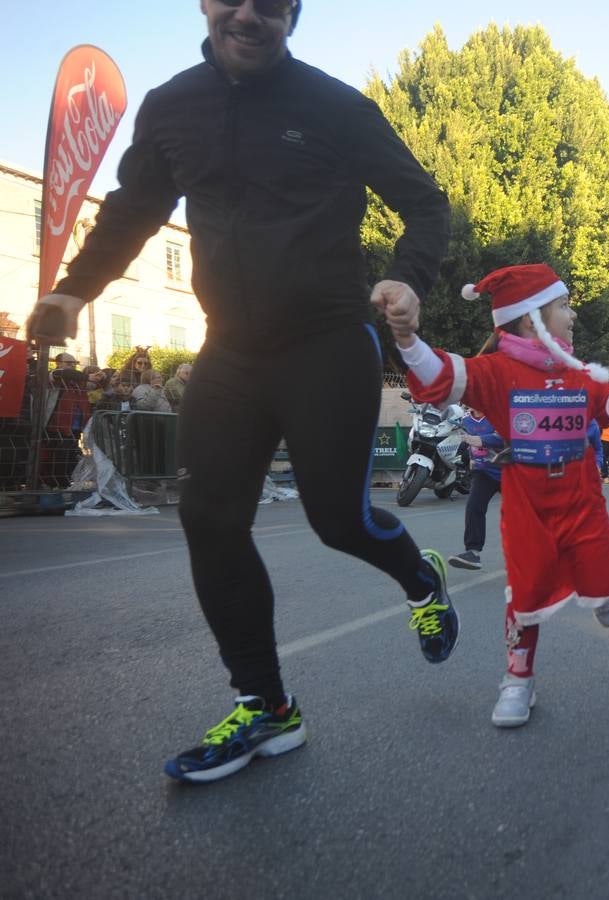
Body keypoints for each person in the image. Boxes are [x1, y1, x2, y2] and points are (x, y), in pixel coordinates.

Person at [26, 0, 459, 783]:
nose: (250, 16)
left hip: (327, 345)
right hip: (229, 351)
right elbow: (132, 210)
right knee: (209, 518)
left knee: (339, 521)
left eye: (272, 4)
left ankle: (417, 576)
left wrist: (407, 275)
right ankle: (267, 706)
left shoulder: (336, 107)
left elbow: (425, 202)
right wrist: (74, 290)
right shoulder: (172, 107)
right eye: (236, 0)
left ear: (293, 14)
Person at [392, 263, 609, 727]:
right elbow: (441, 374)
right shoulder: (496, 372)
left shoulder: (578, 375)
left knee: (603, 581)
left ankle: (604, 591)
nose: (573, 315)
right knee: (524, 593)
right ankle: (518, 680)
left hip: (581, 498)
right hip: (526, 504)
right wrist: (406, 338)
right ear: (529, 320)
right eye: (564, 306)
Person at [448, 406, 504, 571]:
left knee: (519, 516)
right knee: (474, 507)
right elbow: (463, 439)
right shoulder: (464, 419)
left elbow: (505, 437)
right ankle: (472, 553)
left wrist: (479, 440)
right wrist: (469, 456)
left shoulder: (498, 413)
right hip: (484, 472)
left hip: (509, 471)